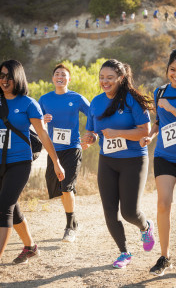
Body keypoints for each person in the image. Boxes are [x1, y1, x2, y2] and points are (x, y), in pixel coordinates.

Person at [81, 59, 155, 269]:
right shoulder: (95, 102)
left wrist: (119, 133)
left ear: (121, 78)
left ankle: (146, 226)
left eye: (110, 78)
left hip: (133, 160)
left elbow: (144, 131)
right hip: (107, 161)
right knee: (110, 211)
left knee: (129, 212)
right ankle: (124, 252)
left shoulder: (133, 100)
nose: (105, 81)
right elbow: (93, 131)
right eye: (102, 77)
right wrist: (89, 139)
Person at [140, 45, 176, 276]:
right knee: (163, 203)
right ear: (167, 69)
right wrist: (150, 135)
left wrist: (171, 108)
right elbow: (159, 122)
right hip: (165, 155)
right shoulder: (159, 92)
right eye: (173, 70)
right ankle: (164, 257)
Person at [0, 60, 65, 264]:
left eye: (8, 76)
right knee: (11, 205)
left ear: (18, 78)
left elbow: (43, 136)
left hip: (20, 162)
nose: (4, 80)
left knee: (4, 207)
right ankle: (30, 247)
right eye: (1, 76)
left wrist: (56, 162)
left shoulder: (28, 104)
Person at [39, 63, 90, 243]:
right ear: (53, 79)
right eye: (57, 74)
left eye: (64, 74)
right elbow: (36, 123)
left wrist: (91, 134)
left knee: (66, 187)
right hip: (53, 151)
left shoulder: (76, 98)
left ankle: (69, 227)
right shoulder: (44, 99)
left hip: (73, 148)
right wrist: (42, 120)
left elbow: (92, 114)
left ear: (68, 79)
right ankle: (74, 220)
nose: (60, 76)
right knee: (60, 190)